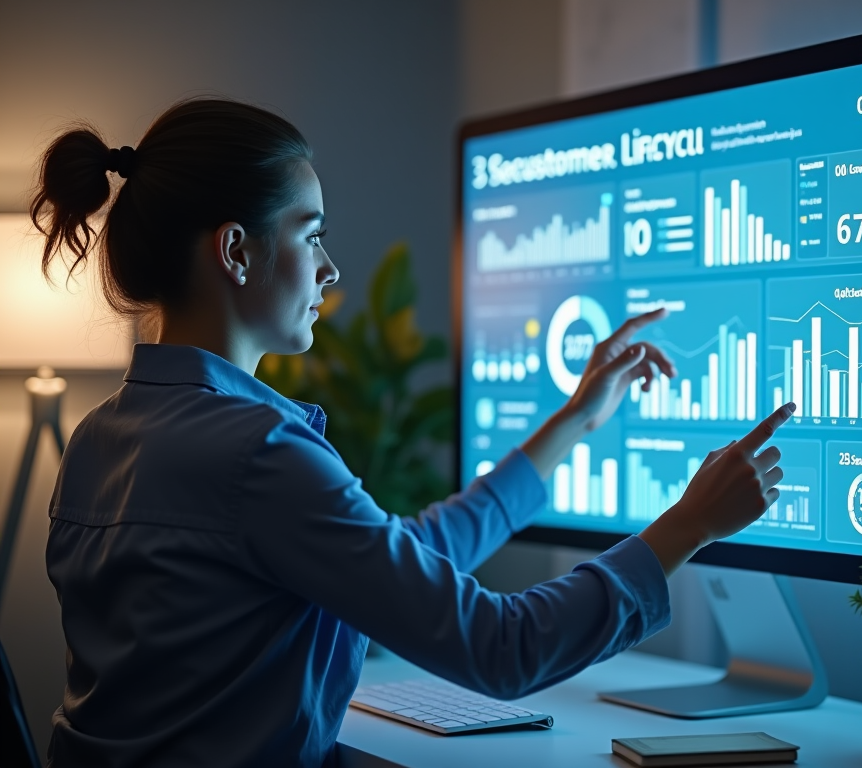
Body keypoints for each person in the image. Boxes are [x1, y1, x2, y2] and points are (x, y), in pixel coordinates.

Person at [33, 98, 793, 768]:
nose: (330, 270)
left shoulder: (100, 439)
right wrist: (690, 525)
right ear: (236, 251)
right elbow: (501, 648)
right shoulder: (256, 454)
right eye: (312, 235)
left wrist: (573, 421)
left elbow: (395, 559)